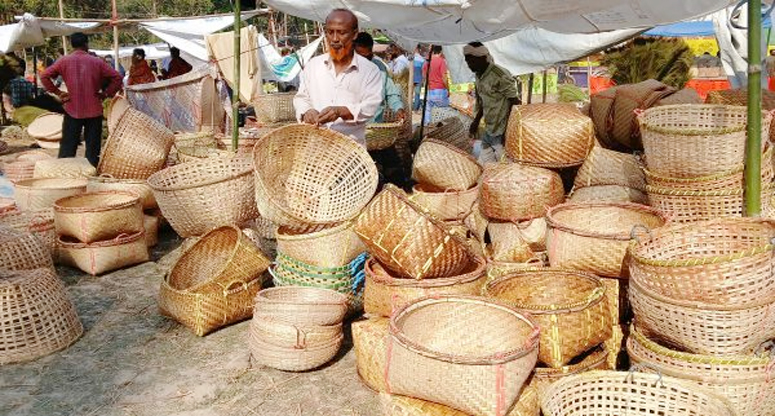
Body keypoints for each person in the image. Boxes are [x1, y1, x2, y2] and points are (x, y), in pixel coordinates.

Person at [293, 9, 383, 147]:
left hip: (350, 150)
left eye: (341, 33)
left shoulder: (370, 70)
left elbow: (369, 107)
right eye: (330, 32)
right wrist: (307, 111)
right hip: (314, 147)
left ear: (354, 34)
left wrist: (341, 111)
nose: (334, 39)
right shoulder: (313, 66)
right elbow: (302, 97)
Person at [40, 32, 122, 166]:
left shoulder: (64, 61)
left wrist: (58, 92)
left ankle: (65, 173)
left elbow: (44, 76)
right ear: (86, 44)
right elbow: (117, 77)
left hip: (72, 108)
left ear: (72, 45)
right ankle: (91, 173)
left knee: (68, 146)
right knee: (93, 147)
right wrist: (106, 93)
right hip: (94, 108)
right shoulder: (97, 62)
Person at [464, 42, 519, 164]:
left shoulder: (499, 75)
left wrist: (509, 131)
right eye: (467, 62)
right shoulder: (479, 75)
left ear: (482, 58)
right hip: (489, 129)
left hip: (501, 130)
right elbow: (483, 101)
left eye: (471, 61)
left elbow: (515, 102)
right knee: (485, 167)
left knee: (506, 166)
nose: (469, 65)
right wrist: (476, 121)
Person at [353, 32, 406, 123]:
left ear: (371, 51)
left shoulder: (379, 67)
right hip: (351, 128)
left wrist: (398, 108)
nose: (364, 61)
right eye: (360, 57)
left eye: (367, 57)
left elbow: (391, 93)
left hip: (375, 126)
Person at [421, 45, 449, 124]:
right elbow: (444, 77)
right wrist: (448, 89)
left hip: (430, 90)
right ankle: (439, 128)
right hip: (440, 90)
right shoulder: (441, 61)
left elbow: (423, 75)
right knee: (442, 111)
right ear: (441, 51)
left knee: (428, 111)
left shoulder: (427, 62)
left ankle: (428, 127)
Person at [411, 44, 425, 111]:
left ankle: (409, 107)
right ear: (419, 49)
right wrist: (423, 80)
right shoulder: (422, 59)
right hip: (418, 78)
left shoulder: (410, 57)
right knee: (417, 95)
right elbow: (423, 71)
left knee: (409, 94)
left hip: (410, 78)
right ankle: (415, 109)